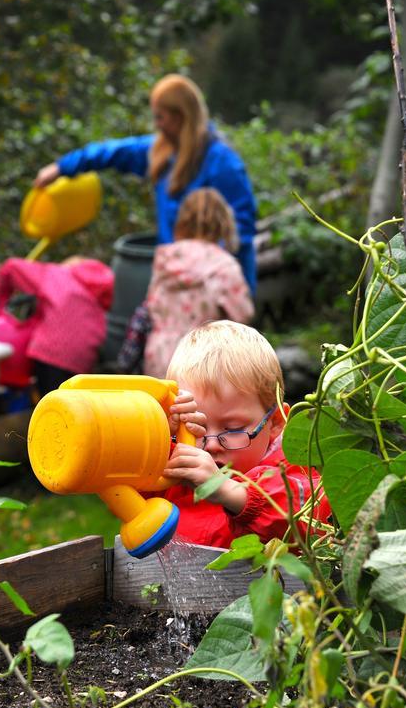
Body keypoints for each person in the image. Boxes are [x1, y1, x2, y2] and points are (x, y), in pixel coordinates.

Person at [33, 74, 258, 294]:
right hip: (177, 286)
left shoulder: (222, 164)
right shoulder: (164, 152)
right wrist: (62, 167)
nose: (157, 125)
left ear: (181, 116)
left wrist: (205, 270)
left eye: (161, 117)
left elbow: (241, 230)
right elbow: (114, 152)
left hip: (217, 289)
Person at [163, 321, 331, 548]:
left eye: (232, 429)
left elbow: (302, 523)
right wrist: (162, 437)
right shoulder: (176, 464)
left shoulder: (292, 472)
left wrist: (226, 490)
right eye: (195, 426)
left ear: (275, 422)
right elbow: (129, 485)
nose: (211, 446)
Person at [143, 188, 255, 378]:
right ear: (223, 223)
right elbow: (243, 314)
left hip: (160, 355)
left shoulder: (166, 259)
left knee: (162, 407)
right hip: (203, 358)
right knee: (199, 408)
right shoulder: (222, 264)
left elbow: (152, 304)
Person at [0, 256, 114, 396]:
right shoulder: (97, 291)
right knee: (71, 404)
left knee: (50, 402)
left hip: (52, 353)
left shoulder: (57, 275)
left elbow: (10, 267)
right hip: (83, 361)